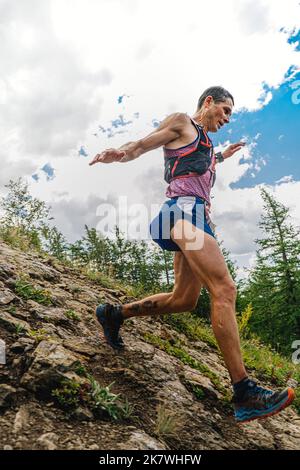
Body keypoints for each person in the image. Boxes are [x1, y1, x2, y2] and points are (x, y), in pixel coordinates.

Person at [89, 86, 295, 423]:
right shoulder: (182, 123)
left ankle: (114, 314)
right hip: (181, 215)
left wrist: (225, 155)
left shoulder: (206, 144)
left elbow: (206, 161)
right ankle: (244, 391)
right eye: (225, 111)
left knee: (184, 299)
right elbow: (142, 144)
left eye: (231, 115)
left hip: (194, 218)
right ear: (208, 102)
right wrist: (121, 153)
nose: (227, 119)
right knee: (225, 290)